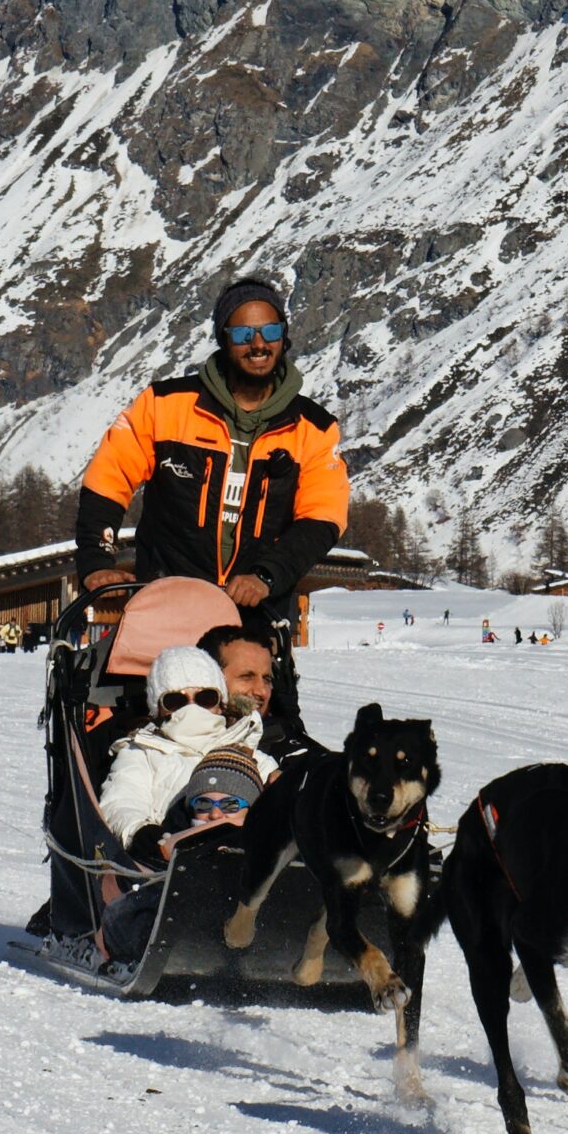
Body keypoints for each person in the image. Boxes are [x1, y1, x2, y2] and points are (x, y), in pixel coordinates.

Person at [73, 273, 350, 751]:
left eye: (270, 332)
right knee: (154, 734)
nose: (258, 344)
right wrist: (98, 560)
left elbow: (324, 516)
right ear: (224, 339)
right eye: (244, 334)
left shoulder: (313, 428)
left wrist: (267, 574)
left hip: (256, 614)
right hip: (169, 601)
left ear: (285, 336)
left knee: (270, 740)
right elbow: (109, 477)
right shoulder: (165, 405)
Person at [90, 646, 274, 966]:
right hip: (170, 864)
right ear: (158, 709)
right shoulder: (142, 751)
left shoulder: (249, 749)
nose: (192, 709)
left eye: (204, 698)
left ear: (221, 702)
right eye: (175, 701)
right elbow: (122, 799)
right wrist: (140, 831)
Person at [196, 624, 276, 723]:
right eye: (247, 677)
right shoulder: (178, 735)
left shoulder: (286, 734)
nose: (262, 691)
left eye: (266, 679)